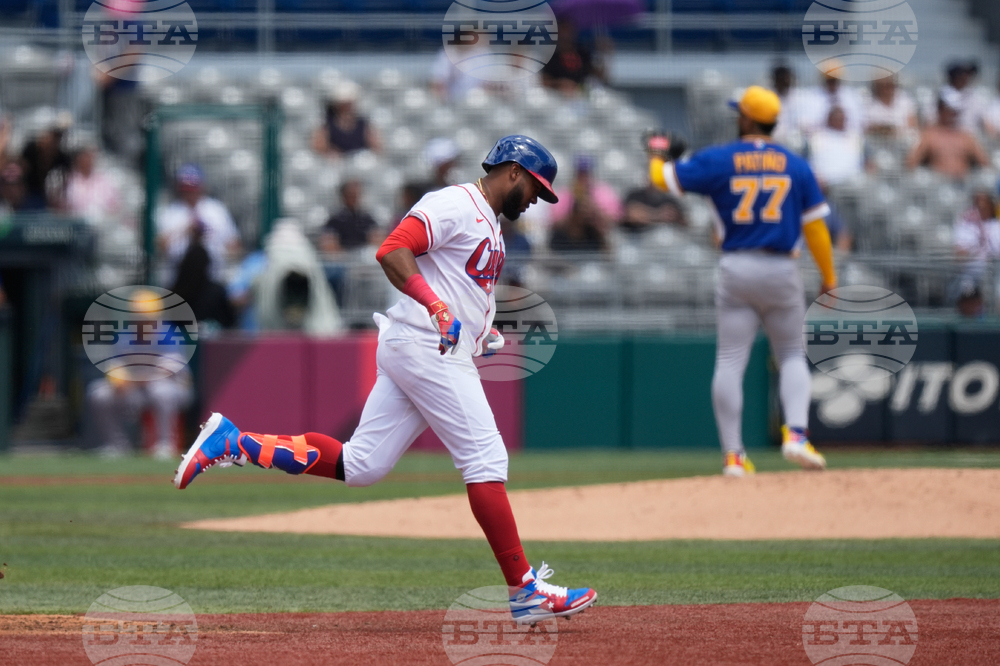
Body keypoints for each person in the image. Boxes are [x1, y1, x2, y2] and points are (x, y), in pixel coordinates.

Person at [173, 135, 597, 625]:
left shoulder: (492, 225)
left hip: (422, 344)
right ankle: (525, 591)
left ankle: (236, 442)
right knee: (486, 458)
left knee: (362, 465)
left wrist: (482, 333)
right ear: (514, 172)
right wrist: (438, 309)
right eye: (536, 190)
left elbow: (458, 285)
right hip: (425, 344)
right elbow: (393, 250)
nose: (536, 201)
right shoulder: (455, 202)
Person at [647, 86, 836, 476]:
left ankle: (734, 457)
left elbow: (663, 180)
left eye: (740, 113)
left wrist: (657, 152)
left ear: (748, 119)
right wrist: (829, 278)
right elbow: (815, 227)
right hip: (782, 268)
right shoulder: (795, 164)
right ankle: (796, 436)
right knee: (791, 356)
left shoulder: (720, 158)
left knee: (731, 362)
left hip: (737, 266)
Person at [87, 288, 194, 460]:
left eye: (147, 316)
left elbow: (169, 370)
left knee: (160, 390)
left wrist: (137, 378)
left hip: (173, 390)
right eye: (139, 316)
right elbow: (115, 365)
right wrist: (118, 378)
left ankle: (165, 444)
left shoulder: (168, 334)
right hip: (136, 390)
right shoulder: (126, 336)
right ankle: (117, 445)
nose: (142, 321)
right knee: (99, 393)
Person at [157, 164, 241, 286]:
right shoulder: (171, 213)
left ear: (202, 186)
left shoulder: (216, 210)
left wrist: (214, 244)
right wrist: (185, 231)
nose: (190, 193)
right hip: (178, 278)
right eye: (186, 188)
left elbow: (234, 245)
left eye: (193, 187)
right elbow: (161, 246)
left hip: (213, 276)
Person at [907, 92, 989, 181]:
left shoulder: (966, 137)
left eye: (956, 112)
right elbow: (911, 163)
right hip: (937, 185)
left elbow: (985, 164)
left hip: (963, 185)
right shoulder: (929, 135)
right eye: (949, 111)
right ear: (940, 110)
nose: (953, 115)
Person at [549, 155, 622, 235]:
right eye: (580, 173)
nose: (583, 178)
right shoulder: (565, 193)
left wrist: (595, 211)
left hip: (598, 239)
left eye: (586, 173)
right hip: (569, 239)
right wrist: (575, 214)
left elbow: (616, 220)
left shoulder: (604, 192)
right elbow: (554, 223)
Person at [311, 80, 381, 157]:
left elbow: (376, 147)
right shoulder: (327, 125)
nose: (346, 106)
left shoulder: (363, 124)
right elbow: (319, 147)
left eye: (348, 103)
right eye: (343, 103)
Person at [65, 143, 125, 229]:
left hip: (101, 227)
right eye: (84, 157)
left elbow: (115, 207)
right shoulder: (69, 180)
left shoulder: (105, 180)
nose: (87, 161)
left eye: (89, 157)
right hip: (74, 226)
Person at [20, 114, 72, 209]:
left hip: (48, 196)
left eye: (57, 137)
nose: (54, 140)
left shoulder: (61, 156)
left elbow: (67, 176)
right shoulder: (30, 150)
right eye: (52, 135)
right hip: (29, 194)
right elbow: (22, 172)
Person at [808, 107, 866, 188]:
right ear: (829, 119)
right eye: (836, 119)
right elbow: (805, 161)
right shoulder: (817, 137)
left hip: (854, 183)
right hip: (827, 183)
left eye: (842, 119)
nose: (839, 121)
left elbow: (869, 161)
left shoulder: (855, 137)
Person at [319, 180, 381, 253]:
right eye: (350, 195)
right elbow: (329, 242)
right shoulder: (335, 220)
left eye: (356, 195)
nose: (354, 198)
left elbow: (377, 238)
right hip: (343, 257)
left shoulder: (366, 218)